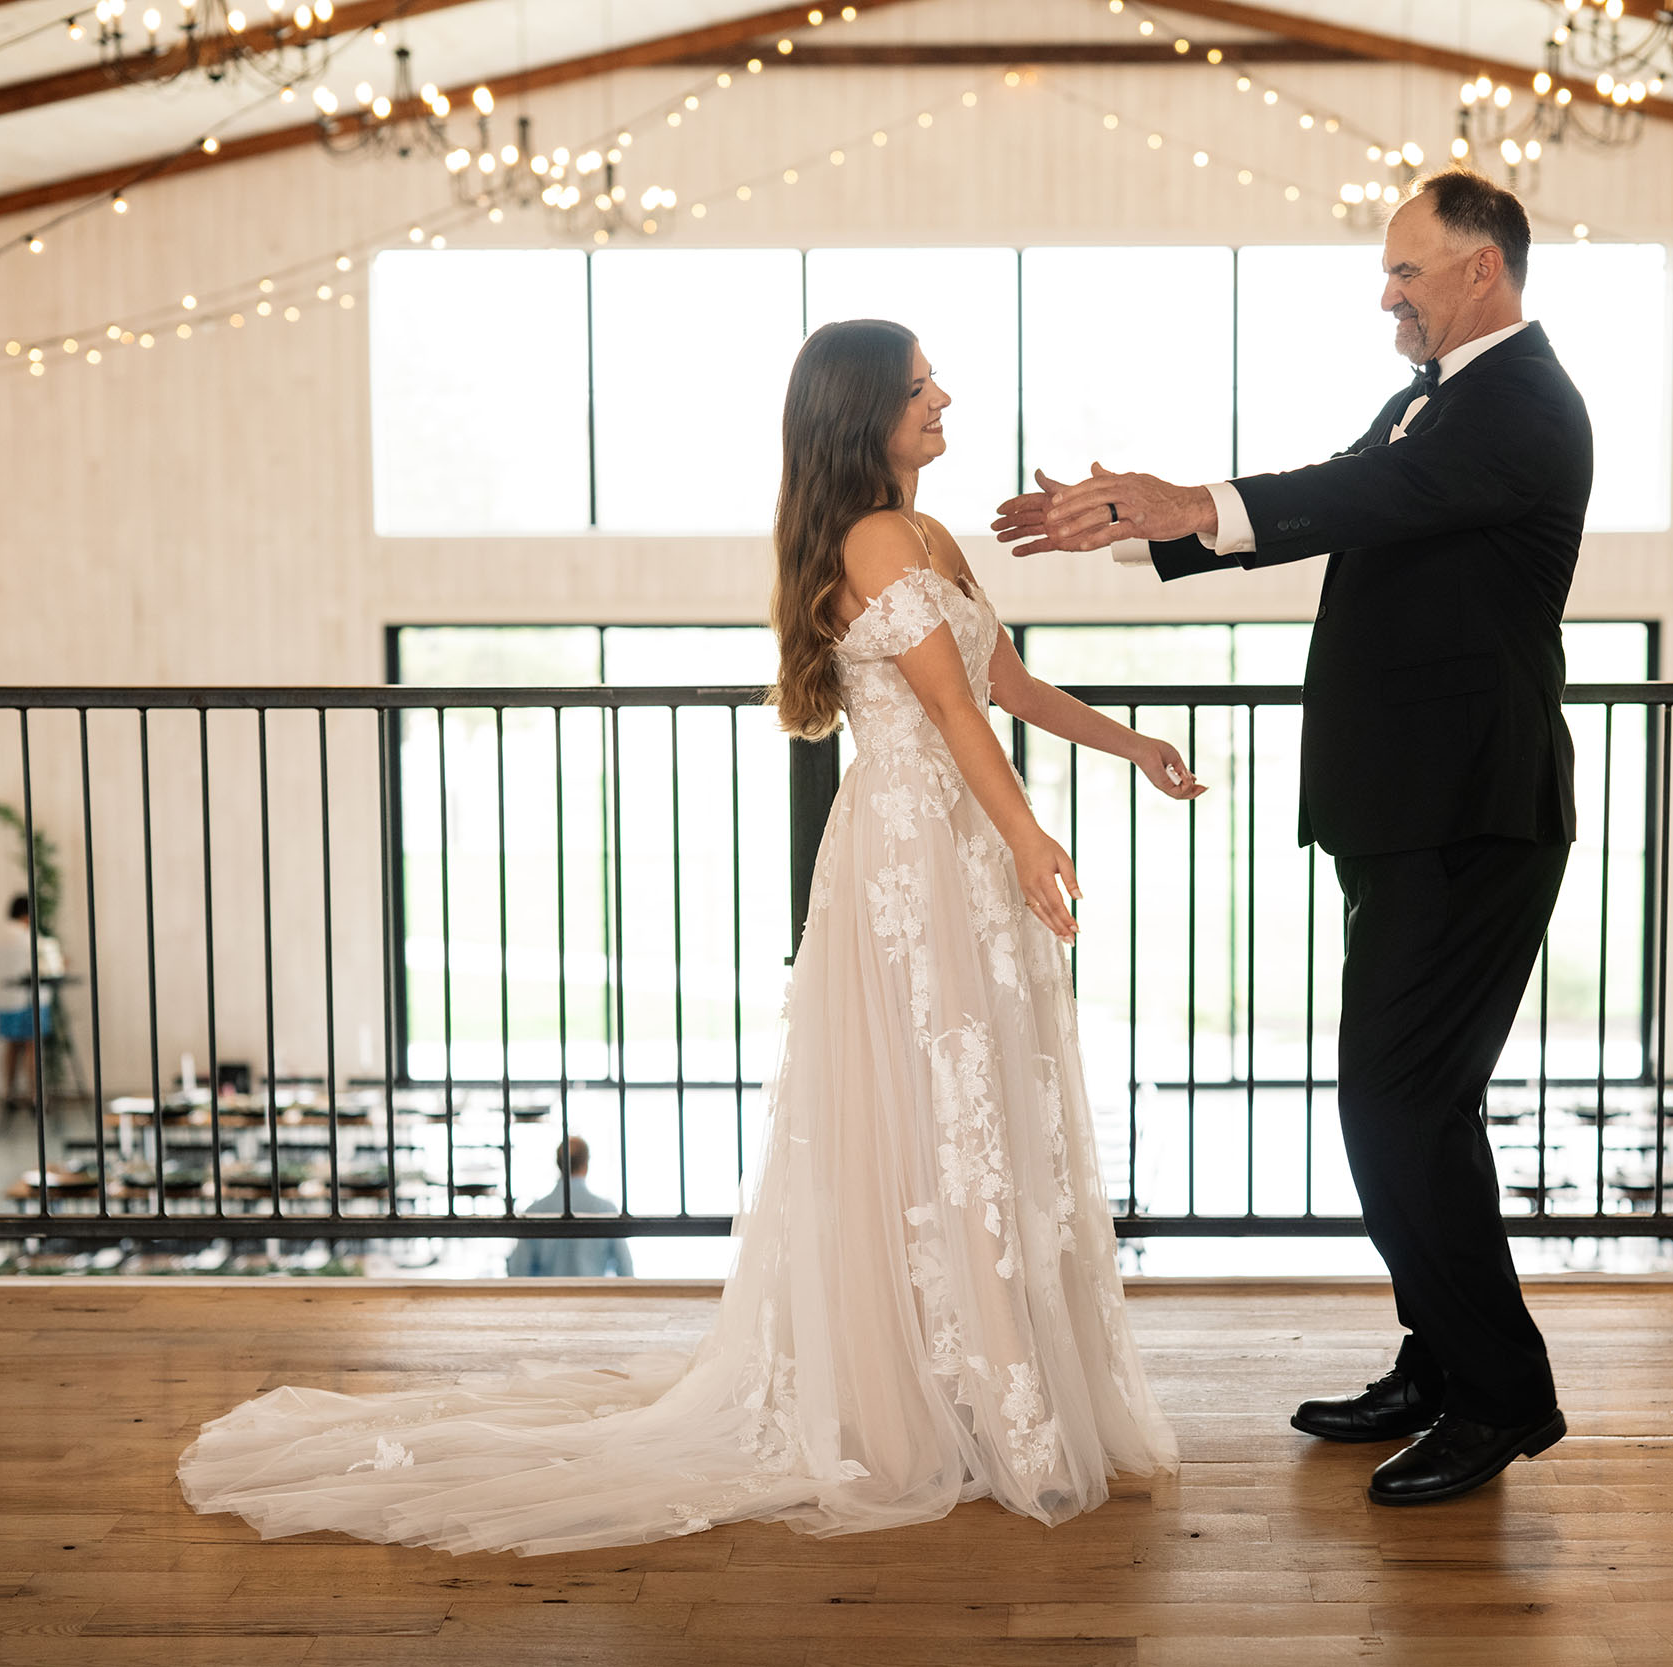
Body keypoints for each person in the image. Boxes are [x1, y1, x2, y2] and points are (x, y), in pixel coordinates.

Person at [179, 318, 1194, 1555]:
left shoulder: (925, 535)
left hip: (962, 850)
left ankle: (974, 1383)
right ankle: (950, 1395)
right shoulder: (873, 538)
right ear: (863, 412)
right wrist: (1030, 833)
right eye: (922, 386)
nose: (945, 398)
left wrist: (1130, 743)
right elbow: (943, 708)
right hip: (913, 858)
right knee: (934, 1104)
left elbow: (1010, 690)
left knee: (966, 1108)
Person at [993, 169, 1593, 1507]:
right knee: (1421, 1105)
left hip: (1470, 816)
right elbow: (1348, 501)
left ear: (1482, 270)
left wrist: (1183, 497)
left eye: (1408, 273)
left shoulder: (1525, 403)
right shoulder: (1440, 397)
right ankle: (1441, 1361)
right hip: (1413, 812)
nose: (1389, 293)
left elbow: (1364, 501)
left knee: (1393, 1103)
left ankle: (1501, 1394)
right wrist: (1151, 529)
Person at [504, 1138, 634, 1278]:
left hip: (549, 1297)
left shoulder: (534, 1212)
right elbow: (625, 1268)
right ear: (586, 1164)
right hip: (594, 1297)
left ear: (558, 1164)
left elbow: (519, 1271)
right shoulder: (606, 1210)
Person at [0, 893, 64, 1110]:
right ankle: (35, 1096)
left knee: (11, 1047)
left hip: (4, 1001)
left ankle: (8, 1094)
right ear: (27, 914)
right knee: (32, 1047)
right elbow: (44, 966)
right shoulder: (30, 938)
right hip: (29, 1000)